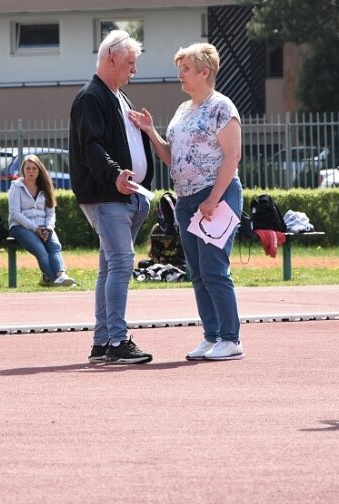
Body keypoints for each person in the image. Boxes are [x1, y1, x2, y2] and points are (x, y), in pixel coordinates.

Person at [130, 42, 244, 361]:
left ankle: (231, 339)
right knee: (196, 271)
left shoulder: (222, 107)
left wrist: (213, 199)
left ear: (205, 72)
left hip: (216, 196)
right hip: (186, 200)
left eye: (186, 69)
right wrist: (151, 132)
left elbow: (232, 156)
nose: (179, 74)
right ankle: (212, 336)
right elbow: (172, 156)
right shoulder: (184, 109)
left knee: (214, 268)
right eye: (179, 68)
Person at [69, 30, 154, 364]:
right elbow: (92, 144)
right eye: (130, 63)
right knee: (120, 264)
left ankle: (103, 342)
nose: (133, 70)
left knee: (110, 268)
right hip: (108, 195)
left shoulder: (118, 96)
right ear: (111, 58)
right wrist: (115, 174)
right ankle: (117, 341)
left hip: (124, 196)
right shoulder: (92, 96)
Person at [8, 154, 76, 287]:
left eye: (34, 168)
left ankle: (61, 276)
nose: (31, 171)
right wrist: (35, 228)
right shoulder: (16, 186)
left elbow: (51, 212)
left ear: (39, 170)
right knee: (41, 251)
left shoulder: (45, 186)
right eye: (28, 168)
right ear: (23, 170)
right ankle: (55, 280)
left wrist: (49, 227)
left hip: (44, 226)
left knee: (55, 246)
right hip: (20, 227)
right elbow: (15, 214)